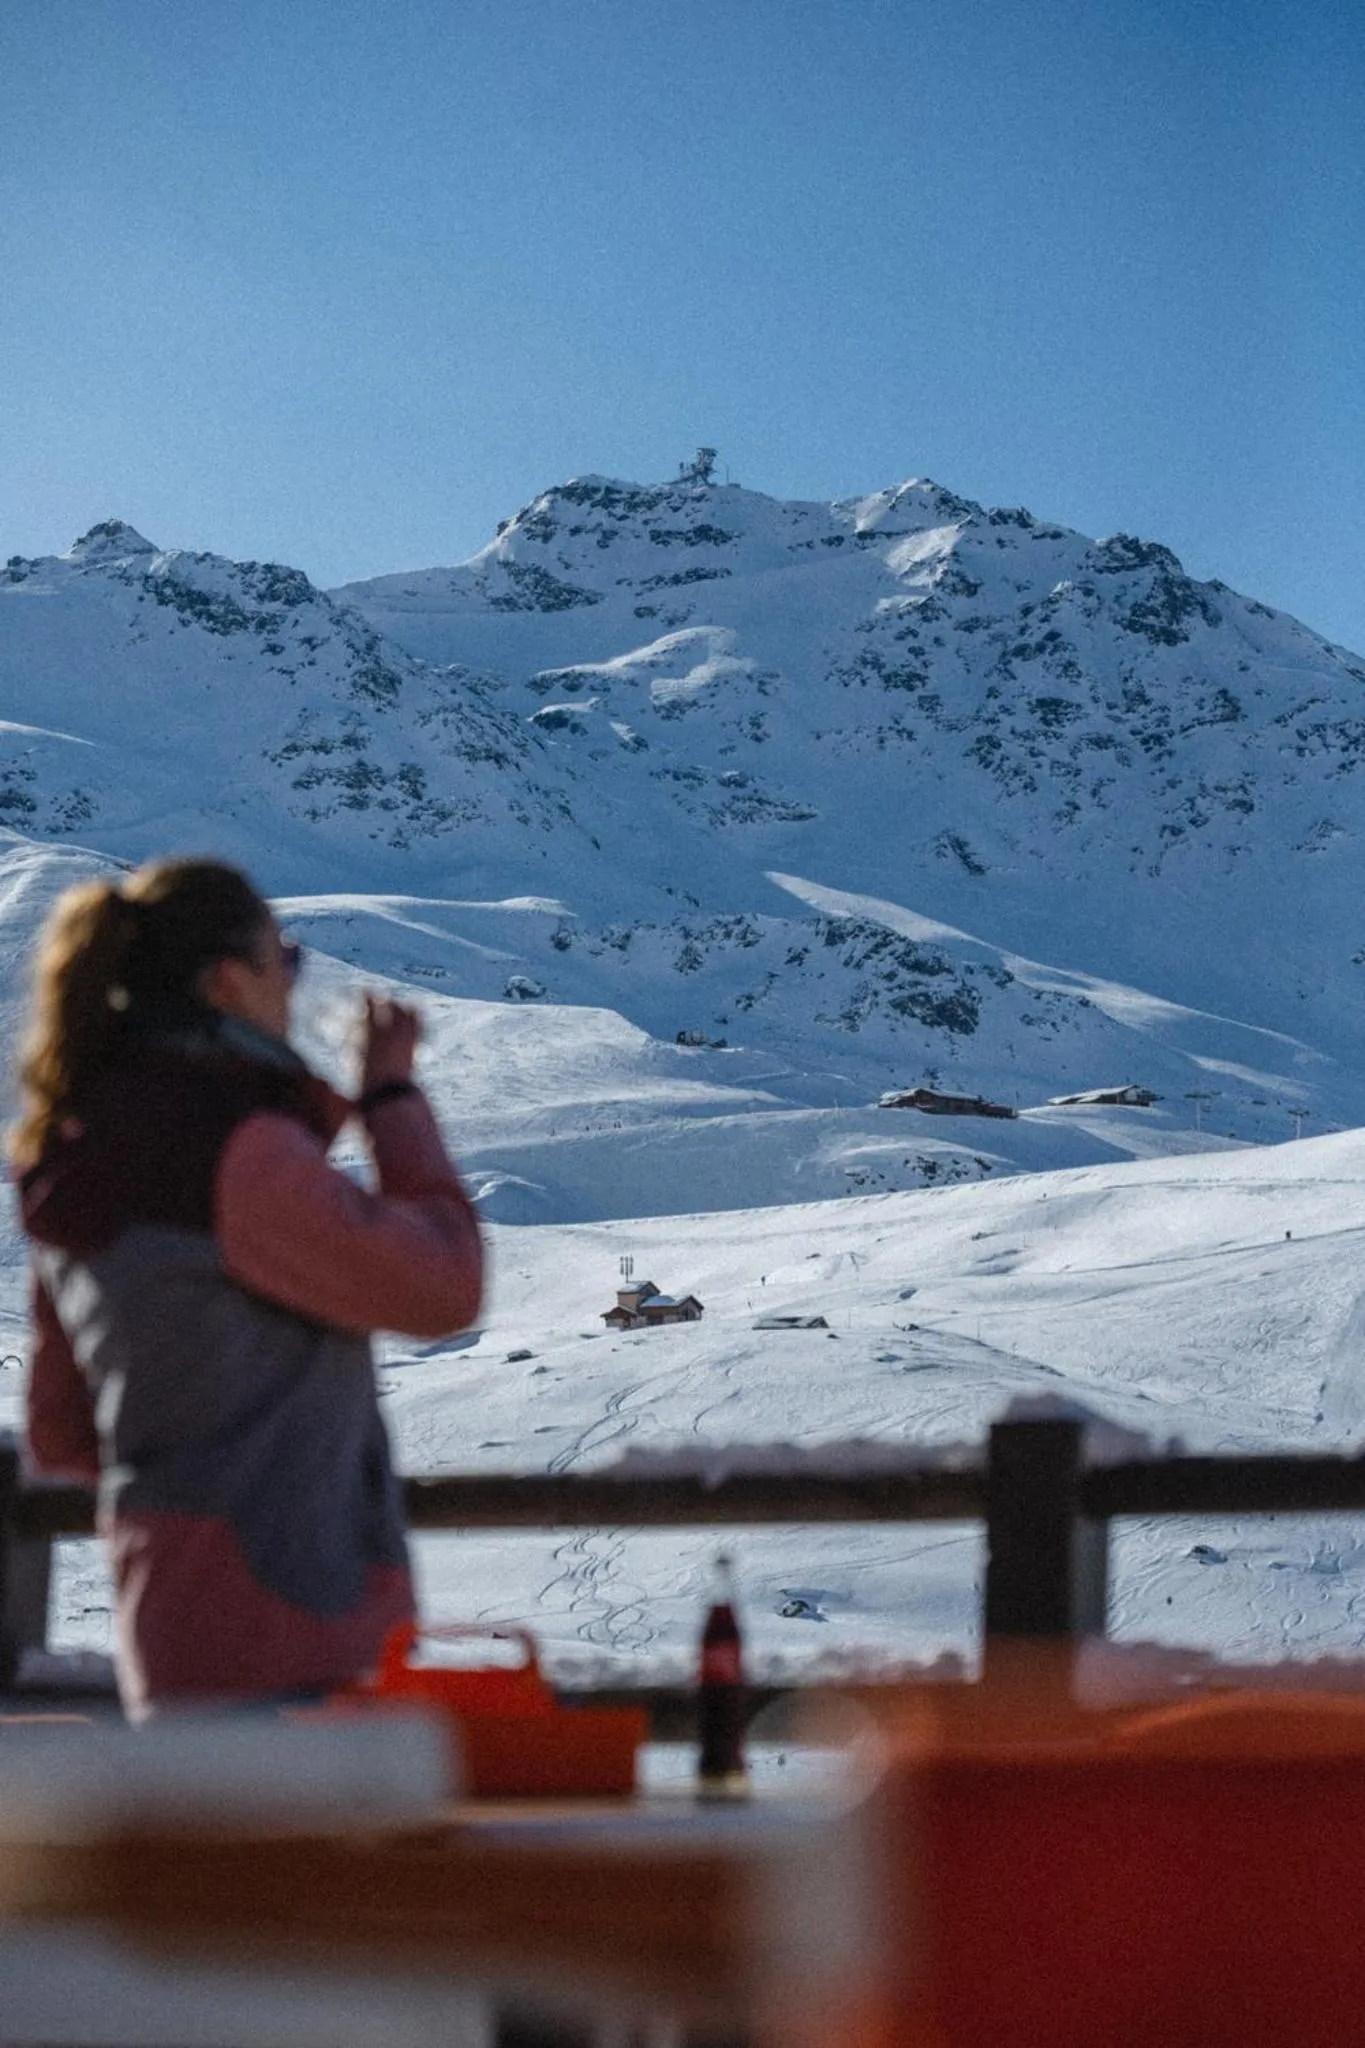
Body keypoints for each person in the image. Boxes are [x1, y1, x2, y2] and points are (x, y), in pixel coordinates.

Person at [10, 857, 483, 1718]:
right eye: (285, 962)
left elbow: (63, 1431)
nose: (295, 985)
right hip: (301, 1615)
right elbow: (445, 1288)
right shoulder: (239, 1152)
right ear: (228, 982)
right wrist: (392, 1099)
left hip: (169, 1626)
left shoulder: (72, 1156)